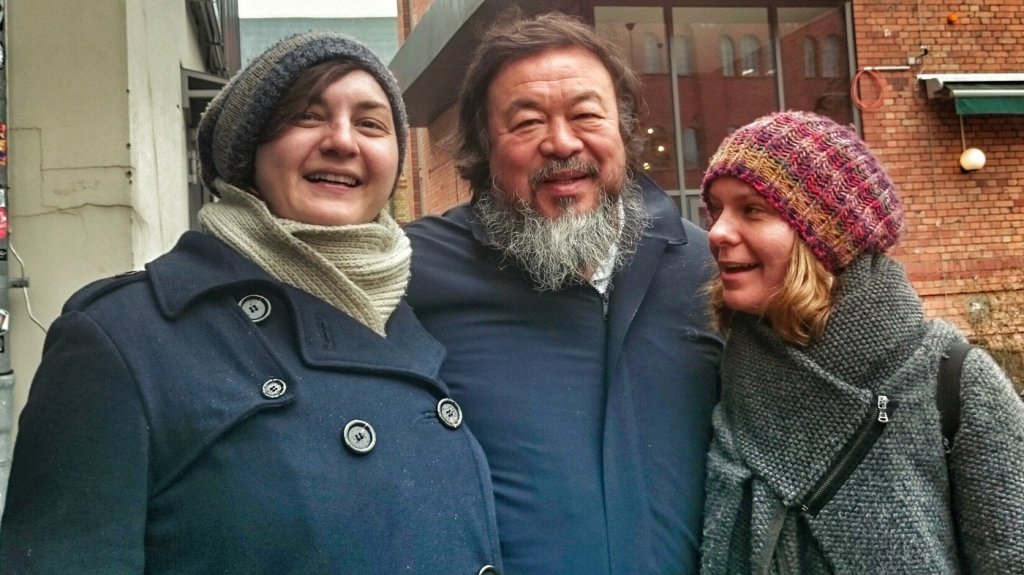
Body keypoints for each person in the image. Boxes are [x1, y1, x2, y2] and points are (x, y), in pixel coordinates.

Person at [0, 32, 502, 574]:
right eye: (308, 116)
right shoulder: (123, 338)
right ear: (247, 151)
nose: (342, 141)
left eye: (371, 123)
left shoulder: (413, 318)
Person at [404, 12, 721, 575]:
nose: (562, 142)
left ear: (622, 130)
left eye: (586, 115)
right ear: (484, 145)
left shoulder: (707, 267)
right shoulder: (413, 271)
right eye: (526, 123)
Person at [699, 110, 1024, 574]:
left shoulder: (954, 383)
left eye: (752, 209)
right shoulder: (725, 372)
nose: (716, 232)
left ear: (828, 239)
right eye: (716, 208)